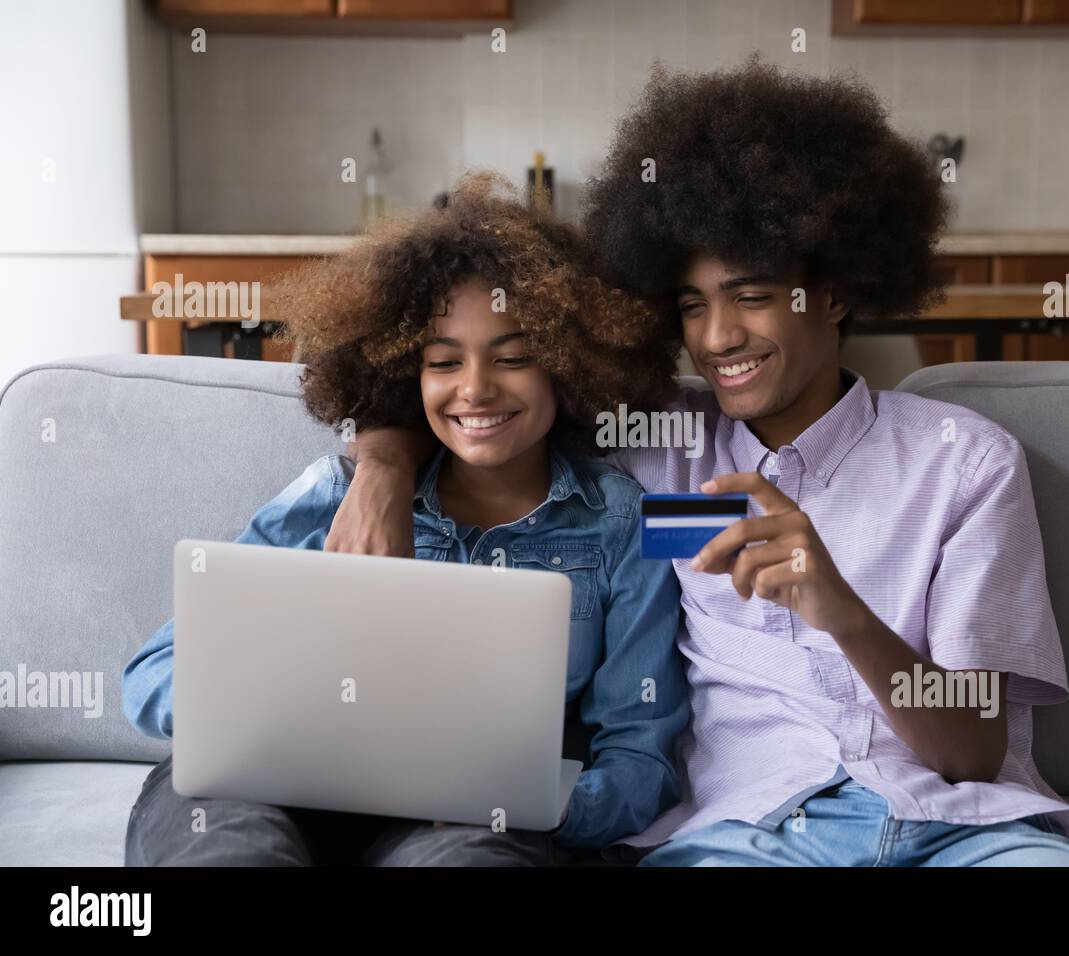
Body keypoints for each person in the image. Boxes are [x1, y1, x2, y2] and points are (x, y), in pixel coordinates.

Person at [324, 59, 1069, 867]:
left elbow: (970, 751)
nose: (716, 340)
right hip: (750, 839)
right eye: (691, 306)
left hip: (965, 831)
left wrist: (843, 612)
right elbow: (478, 405)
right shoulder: (650, 445)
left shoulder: (962, 463)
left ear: (839, 290)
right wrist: (384, 466)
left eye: (752, 298)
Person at [120, 172, 690, 866]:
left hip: (459, 822)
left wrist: (557, 807)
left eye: (513, 357)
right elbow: (151, 674)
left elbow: (642, 751)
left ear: (568, 368)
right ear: (403, 374)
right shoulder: (338, 491)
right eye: (443, 361)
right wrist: (254, 716)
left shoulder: (620, 522)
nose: (476, 388)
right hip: (277, 789)